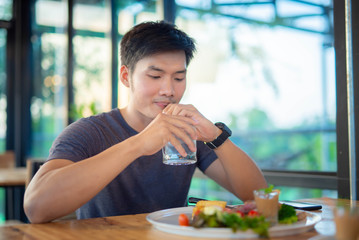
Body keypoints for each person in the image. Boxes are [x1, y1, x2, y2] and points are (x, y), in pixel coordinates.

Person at [24, 21, 267, 224]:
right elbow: (36, 208)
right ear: (126, 76)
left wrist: (216, 136)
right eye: (155, 76)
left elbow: (258, 196)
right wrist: (139, 144)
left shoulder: (186, 129)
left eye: (179, 77)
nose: (169, 90)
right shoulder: (89, 132)